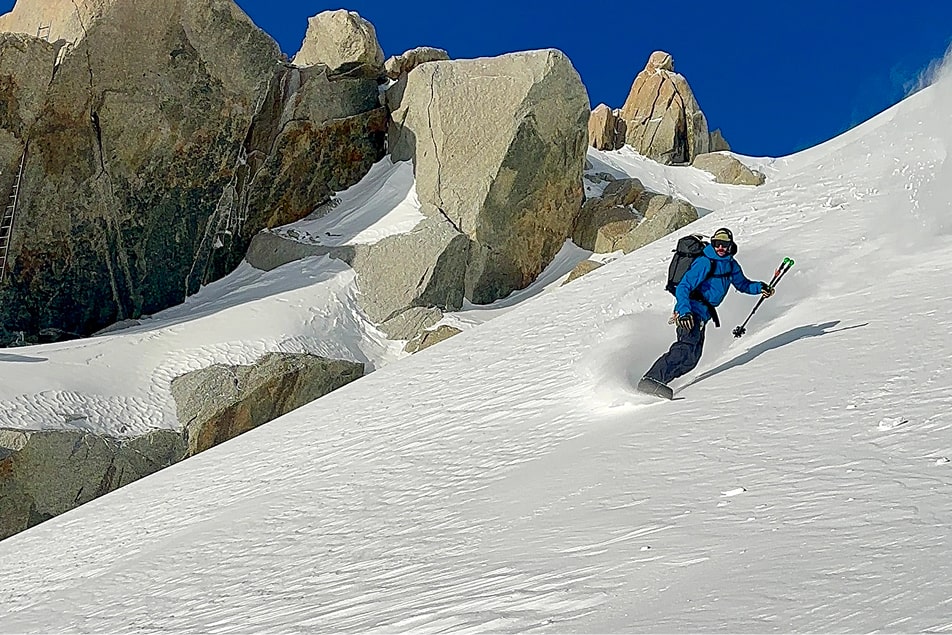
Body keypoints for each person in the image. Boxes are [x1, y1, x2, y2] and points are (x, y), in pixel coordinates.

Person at [638, 228, 774, 397]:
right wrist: (684, 311)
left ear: (730, 246)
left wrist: (761, 287)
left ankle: (657, 384)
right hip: (689, 311)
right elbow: (683, 287)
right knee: (686, 347)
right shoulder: (705, 262)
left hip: (703, 315)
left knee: (692, 358)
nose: (720, 248)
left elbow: (743, 284)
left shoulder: (731, 264)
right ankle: (651, 380)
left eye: (724, 244)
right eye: (717, 243)